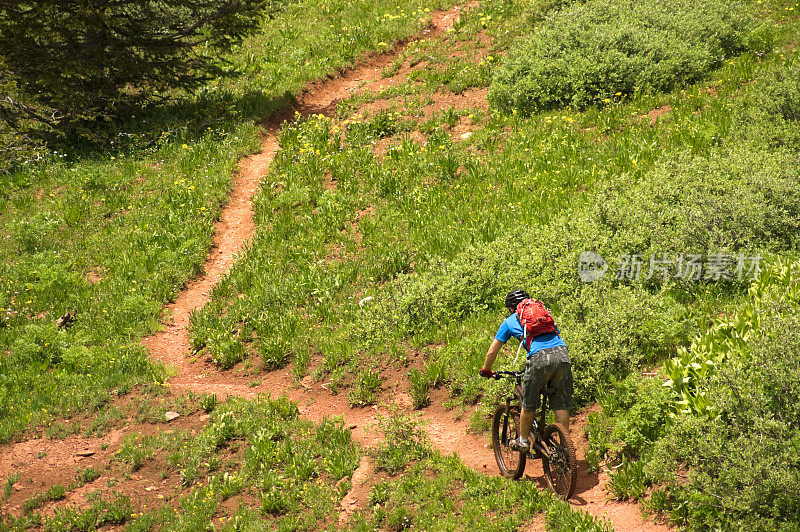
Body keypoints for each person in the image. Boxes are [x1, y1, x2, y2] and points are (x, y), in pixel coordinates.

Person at [479, 289, 573, 452]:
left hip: (539, 357)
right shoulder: (543, 315)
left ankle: (522, 441)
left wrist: (486, 370)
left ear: (510, 308)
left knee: (529, 404)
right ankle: (565, 447)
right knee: (561, 404)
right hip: (562, 353)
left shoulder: (509, 321)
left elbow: (492, 352)